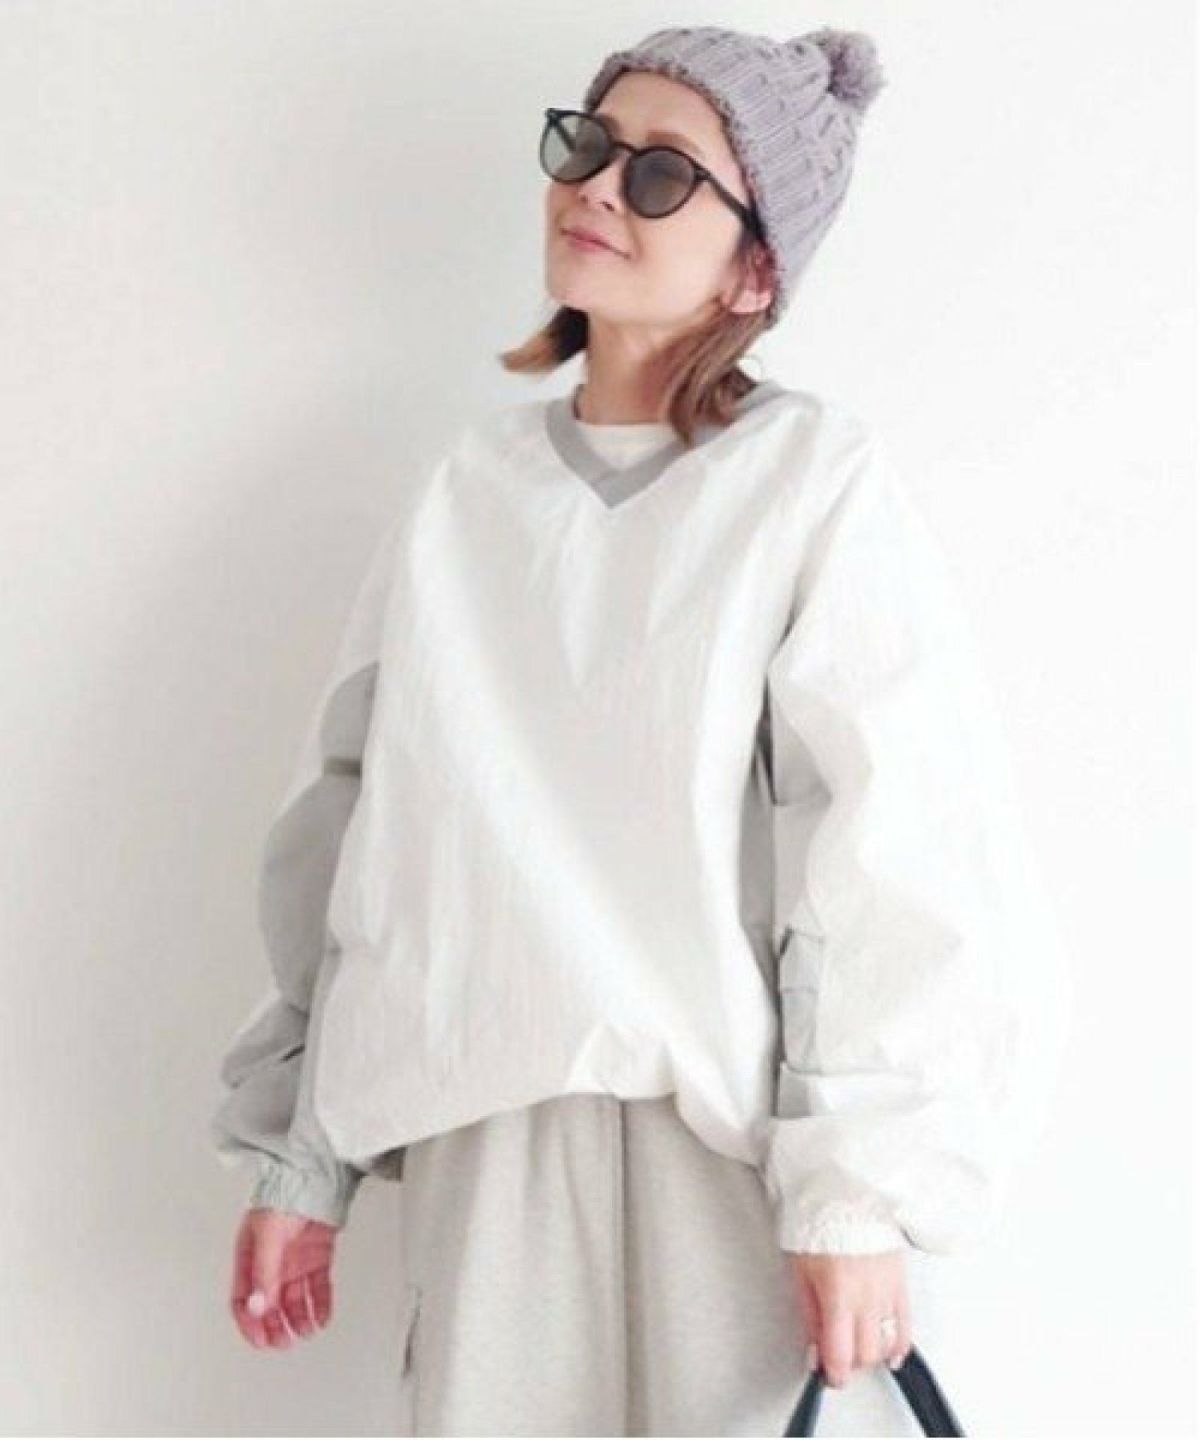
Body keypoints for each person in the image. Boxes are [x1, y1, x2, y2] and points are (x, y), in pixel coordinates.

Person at [211, 23, 1073, 1436]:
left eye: (664, 173)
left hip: (731, 1158)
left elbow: (897, 843)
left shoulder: (809, 480)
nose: (601, 187)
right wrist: (302, 1158)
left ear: (754, 269)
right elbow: (358, 834)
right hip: (483, 1135)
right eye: (590, 146)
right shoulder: (464, 494)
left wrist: (856, 1192)